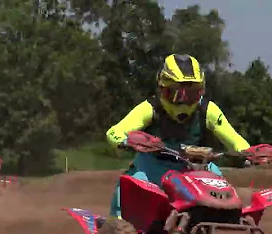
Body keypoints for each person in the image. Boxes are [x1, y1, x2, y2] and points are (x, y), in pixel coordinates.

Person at [105, 53, 259, 218]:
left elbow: (234, 139)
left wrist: (249, 153)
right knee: (130, 185)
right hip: (153, 167)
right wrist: (125, 141)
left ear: (201, 91)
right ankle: (116, 228)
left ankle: (229, 224)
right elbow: (114, 132)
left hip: (197, 167)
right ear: (163, 89)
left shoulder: (208, 110)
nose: (183, 102)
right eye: (176, 94)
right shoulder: (150, 108)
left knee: (224, 191)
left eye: (191, 94)